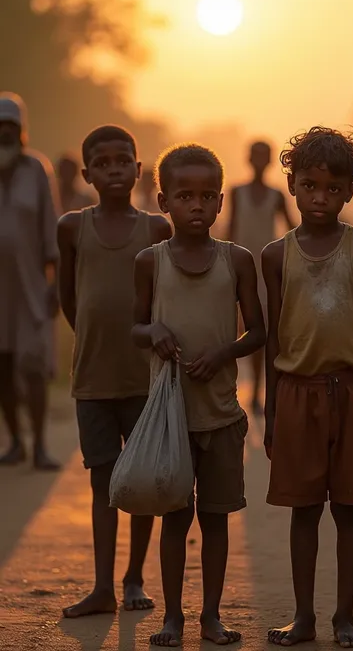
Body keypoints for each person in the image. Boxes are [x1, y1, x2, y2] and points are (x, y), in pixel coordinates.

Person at [263, 127, 353, 648]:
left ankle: (344, 617)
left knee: (349, 508)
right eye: (310, 185)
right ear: (292, 185)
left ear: (349, 192)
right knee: (303, 510)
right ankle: (304, 618)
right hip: (297, 392)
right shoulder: (276, 255)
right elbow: (276, 336)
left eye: (333, 188)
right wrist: (273, 411)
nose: (321, 197)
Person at [132, 143, 266, 646]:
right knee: (174, 519)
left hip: (221, 414)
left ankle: (211, 616)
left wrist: (223, 353)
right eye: (184, 196)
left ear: (220, 202)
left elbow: (257, 332)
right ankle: (173, 617)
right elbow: (134, 326)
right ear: (163, 201)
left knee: (214, 520)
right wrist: (155, 332)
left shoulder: (237, 259)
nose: (196, 205)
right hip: (169, 417)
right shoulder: (150, 260)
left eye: (207, 196)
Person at [57, 125, 172, 618]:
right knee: (102, 481)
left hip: (144, 378)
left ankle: (133, 579)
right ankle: (103, 585)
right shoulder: (71, 227)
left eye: (123, 160)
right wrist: (91, 335)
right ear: (87, 174)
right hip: (94, 376)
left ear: (139, 169)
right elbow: (69, 297)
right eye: (102, 163)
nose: (114, 170)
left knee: (142, 481)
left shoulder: (156, 230)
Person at [0, 92, 60, 470]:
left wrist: (54, 284)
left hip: (30, 285)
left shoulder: (35, 169)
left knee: (34, 368)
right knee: (2, 367)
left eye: (11, 128)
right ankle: (15, 442)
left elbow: (49, 228)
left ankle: (39, 444)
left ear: (21, 131)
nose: (5, 134)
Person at [228, 141, 293, 414]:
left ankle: (256, 391)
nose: (259, 161)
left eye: (264, 157)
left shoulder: (276, 195)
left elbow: (291, 230)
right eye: (255, 155)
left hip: (266, 273)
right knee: (232, 331)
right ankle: (230, 391)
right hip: (240, 268)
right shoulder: (236, 192)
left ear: (269, 161)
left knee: (263, 333)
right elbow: (231, 229)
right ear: (248, 158)